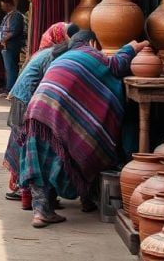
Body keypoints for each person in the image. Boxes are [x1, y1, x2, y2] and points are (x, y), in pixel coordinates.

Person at [16, 31, 148, 228]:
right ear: (92, 42)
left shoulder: (65, 55)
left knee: (41, 158)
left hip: (38, 110)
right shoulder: (91, 53)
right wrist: (136, 45)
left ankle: (41, 212)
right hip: (56, 112)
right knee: (72, 153)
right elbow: (117, 64)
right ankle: (75, 202)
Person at [2, 25, 77, 205]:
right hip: (25, 100)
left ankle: (25, 190)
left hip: (21, 99)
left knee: (24, 143)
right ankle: (26, 190)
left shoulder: (46, 52)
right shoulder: (52, 56)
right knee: (28, 145)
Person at [0, 0, 25, 97]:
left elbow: (13, 32)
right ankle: (7, 87)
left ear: (7, 4)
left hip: (11, 45)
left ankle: (10, 90)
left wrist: (2, 40)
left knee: (11, 68)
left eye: (2, 5)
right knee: (8, 68)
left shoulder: (16, 15)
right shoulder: (8, 15)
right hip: (6, 45)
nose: (2, 7)